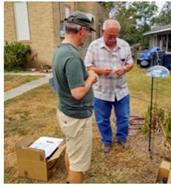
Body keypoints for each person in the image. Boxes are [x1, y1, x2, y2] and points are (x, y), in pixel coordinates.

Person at [52, 11, 98, 183]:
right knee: (78, 164)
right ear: (82, 30)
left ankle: (70, 180)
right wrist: (91, 78)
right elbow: (77, 93)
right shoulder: (71, 56)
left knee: (72, 152)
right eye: (88, 32)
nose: (87, 36)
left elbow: (67, 78)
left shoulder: (60, 50)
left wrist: (85, 74)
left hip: (66, 113)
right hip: (76, 117)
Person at [84, 19, 134, 153]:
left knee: (123, 117)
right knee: (102, 119)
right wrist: (99, 71)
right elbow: (87, 66)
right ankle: (106, 141)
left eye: (115, 36)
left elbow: (130, 64)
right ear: (102, 31)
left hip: (121, 90)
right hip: (102, 91)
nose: (112, 39)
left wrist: (124, 69)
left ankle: (122, 138)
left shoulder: (124, 45)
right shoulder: (94, 46)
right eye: (109, 36)